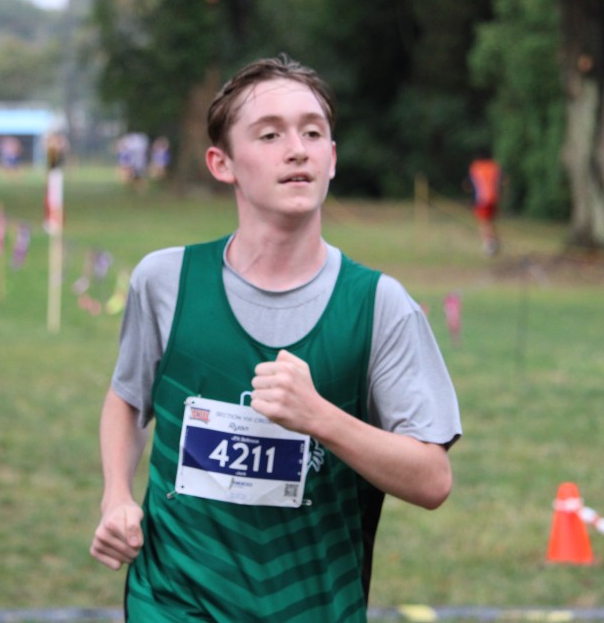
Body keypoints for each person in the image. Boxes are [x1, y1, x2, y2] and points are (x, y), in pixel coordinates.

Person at [89, 55, 461, 622]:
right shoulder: (165, 281)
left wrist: (320, 417)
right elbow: (127, 397)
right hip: (174, 600)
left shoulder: (379, 306)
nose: (297, 150)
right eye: (270, 135)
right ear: (222, 163)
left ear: (332, 157)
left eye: (312, 133)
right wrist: (116, 495)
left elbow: (432, 479)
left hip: (314, 606)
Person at [467, 155, 502, 256]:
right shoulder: (494, 166)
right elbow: (502, 181)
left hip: (481, 200)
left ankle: (490, 245)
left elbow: (470, 184)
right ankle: (494, 242)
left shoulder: (476, 167)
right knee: (490, 221)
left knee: (483, 223)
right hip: (494, 198)